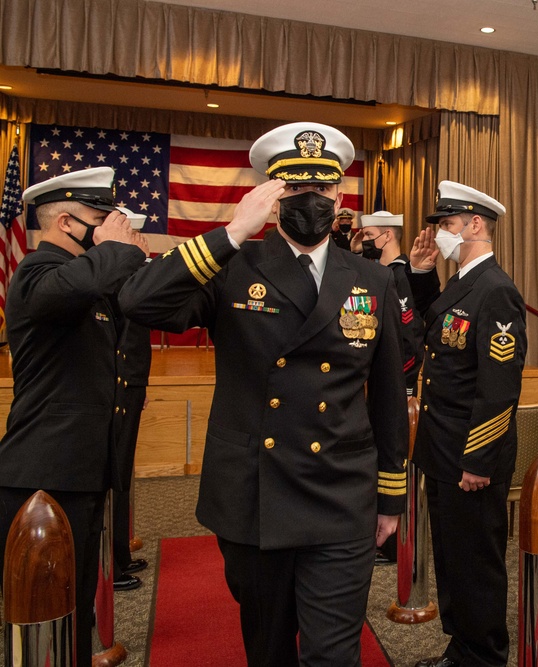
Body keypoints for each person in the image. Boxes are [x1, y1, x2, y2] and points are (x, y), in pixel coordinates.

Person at [118, 122, 408, 666]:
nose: (310, 202)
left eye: (321, 191)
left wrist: (391, 496)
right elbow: (138, 302)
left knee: (333, 654)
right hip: (257, 495)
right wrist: (229, 234)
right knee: (269, 647)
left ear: (339, 195)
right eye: (295, 190)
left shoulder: (372, 279)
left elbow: (389, 393)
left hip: (340, 494)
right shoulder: (233, 267)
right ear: (272, 198)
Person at [0, 167, 149, 665]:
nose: (114, 226)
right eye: (100, 218)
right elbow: (88, 279)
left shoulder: (88, 282)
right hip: (42, 477)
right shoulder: (37, 275)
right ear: (65, 222)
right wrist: (118, 247)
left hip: (81, 474)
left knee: (75, 611)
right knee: (42, 619)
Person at [407, 180, 526, 667]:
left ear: (476, 225)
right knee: (453, 560)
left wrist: (478, 459)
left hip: (470, 458)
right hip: (442, 449)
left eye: (449, 226)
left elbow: (499, 390)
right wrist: (419, 274)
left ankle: (483, 656)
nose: (442, 236)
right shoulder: (463, 283)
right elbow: (434, 332)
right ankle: (462, 651)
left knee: (475, 565)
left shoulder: (497, 291)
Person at [358, 209, 425, 566]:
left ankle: (393, 542)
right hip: (378, 384)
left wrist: (398, 383)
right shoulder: (380, 273)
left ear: (387, 235)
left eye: (369, 237)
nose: (365, 243)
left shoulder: (398, 274)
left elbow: (408, 337)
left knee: (395, 456)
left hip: (398, 384)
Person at [112, 206, 153, 592]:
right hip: (119, 388)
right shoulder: (116, 278)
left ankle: (118, 554)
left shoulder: (133, 275)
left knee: (121, 476)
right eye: (136, 236)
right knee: (113, 477)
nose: (142, 243)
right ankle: (112, 561)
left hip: (130, 385)